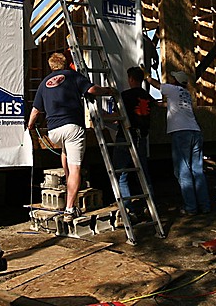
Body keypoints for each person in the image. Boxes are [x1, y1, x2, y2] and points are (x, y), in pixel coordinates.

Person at [27, 52, 115, 221]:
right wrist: (108, 90)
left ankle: (69, 182)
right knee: (76, 169)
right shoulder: (73, 75)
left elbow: (35, 110)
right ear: (66, 64)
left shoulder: (44, 83)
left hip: (54, 132)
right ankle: (69, 209)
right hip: (72, 126)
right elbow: (91, 90)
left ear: (51, 66)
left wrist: (30, 126)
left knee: (65, 151)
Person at [146, 69, 211, 215]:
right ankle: (204, 206)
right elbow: (169, 105)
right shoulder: (185, 93)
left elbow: (157, 85)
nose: (170, 79)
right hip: (195, 131)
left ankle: (191, 208)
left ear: (175, 81)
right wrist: (154, 103)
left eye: (172, 78)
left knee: (183, 171)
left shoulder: (172, 89)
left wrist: (147, 77)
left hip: (181, 133)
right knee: (197, 171)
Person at [113, 67, 156, 219]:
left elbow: (117, 116)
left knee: (122, 174)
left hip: (126, 137)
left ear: (130, 79)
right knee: (143, 173)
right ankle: (150, 207)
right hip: (142, 138)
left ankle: (128, 210)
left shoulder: (125, 96)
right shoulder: (147, 96)